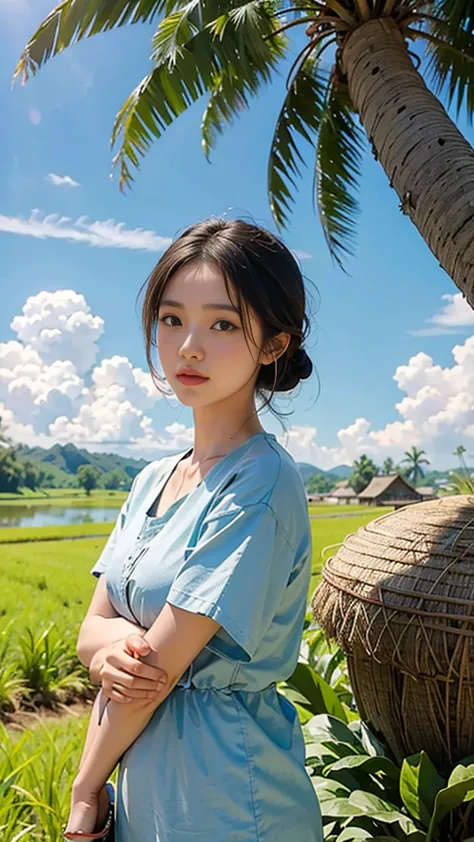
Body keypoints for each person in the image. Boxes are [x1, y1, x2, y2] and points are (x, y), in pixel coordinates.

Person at [64, 217, 323, 842]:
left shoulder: (260, 481)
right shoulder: (152, 478)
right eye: (172, 318)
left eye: (224, 324)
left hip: (229, 794)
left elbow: (159, 669)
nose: (188, 347)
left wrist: (83, 790)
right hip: (149, 795)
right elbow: (89, 634)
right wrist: (111, 651)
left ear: (273, 345)